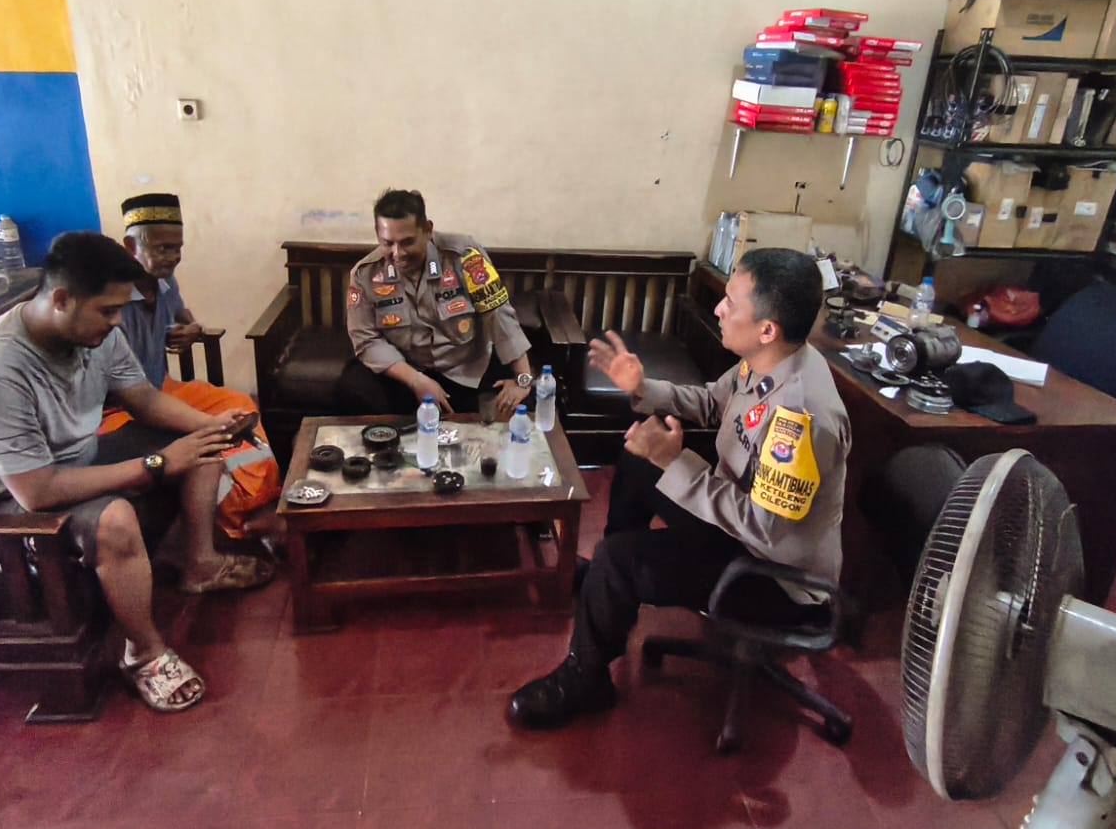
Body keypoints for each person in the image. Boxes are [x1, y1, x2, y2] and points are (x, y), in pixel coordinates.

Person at [0, 231, 273, 715]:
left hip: (66, 463)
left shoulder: (93, 334)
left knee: (203, 445)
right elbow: (37, 493)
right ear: (61, 299)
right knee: (115, 521)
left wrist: (211, 426)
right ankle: (144, 653)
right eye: (107, 310)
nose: (117, 322)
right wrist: (155, 465)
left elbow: (143, 398)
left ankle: (201, 565)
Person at [507, 247, 850, 729]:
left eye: (731, 303)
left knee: (620, 555)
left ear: (767, 329)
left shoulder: (801, 416)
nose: (719, 309)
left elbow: (764, 529)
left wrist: (674, 461)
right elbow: (713, 401)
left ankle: (587, 676)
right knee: (637, 461)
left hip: (774, 576)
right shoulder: (769, 360)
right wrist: (643, 387)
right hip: (741, 528)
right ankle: (609, 587)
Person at [109, 192, 281, 543]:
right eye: (162, 248)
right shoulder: (111, 298)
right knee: (210, 436)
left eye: (177, 248)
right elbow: (124, 390)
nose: (172, 257)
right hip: (115, 407)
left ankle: (259, 503)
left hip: (160, 388)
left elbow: (181, 315)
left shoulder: (164, 281)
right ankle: (236, 522)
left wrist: (191, 328)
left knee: (241, 406)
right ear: (131, 246)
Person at [337, 187, 535, 419]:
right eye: (388, 243)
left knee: (521, 400)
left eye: (407, 242)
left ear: (427, 230)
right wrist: (416, 380)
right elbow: (366, 340)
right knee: (352, 386)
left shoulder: (464, 255)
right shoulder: (365, 274)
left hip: (463, 369)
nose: (398, 253)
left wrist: (523, 380)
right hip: (405, 371)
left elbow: (498, 313)